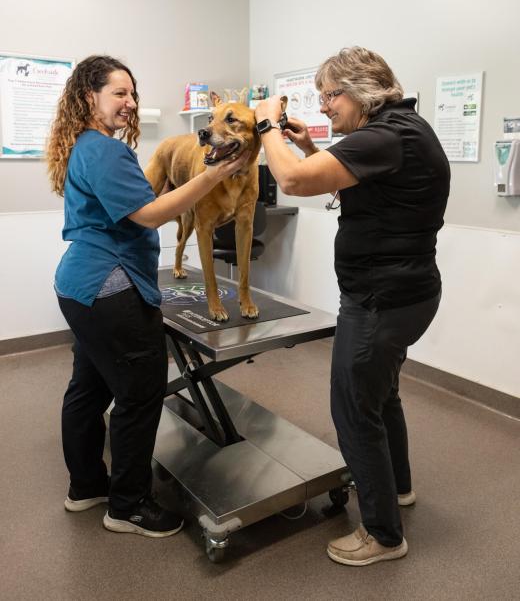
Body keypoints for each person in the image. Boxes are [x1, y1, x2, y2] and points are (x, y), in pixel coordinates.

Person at [254, 47, 450, 566]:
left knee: (353, 409)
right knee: (382, 398)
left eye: (328, 97)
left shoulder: (385, 136)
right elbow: (349, 169)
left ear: (359, 90)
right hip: (406, 292)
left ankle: (383, 536)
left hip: (380, 300)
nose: (323, 109)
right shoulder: (404, 128)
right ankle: (398, 489)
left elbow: (294, 181)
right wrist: (305, 141)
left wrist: (266, 127)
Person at [47, 55, 248, 538]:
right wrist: (213, 175)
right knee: (139, 396)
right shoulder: (106, 151)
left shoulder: (84, 146)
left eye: (132, 94)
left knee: (88, 389)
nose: (130, 102)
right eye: (119, 93)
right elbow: (150, 214)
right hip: (109, 287)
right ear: (88, 96)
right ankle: (129, 506)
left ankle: (86, 486)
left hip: (80, 287)